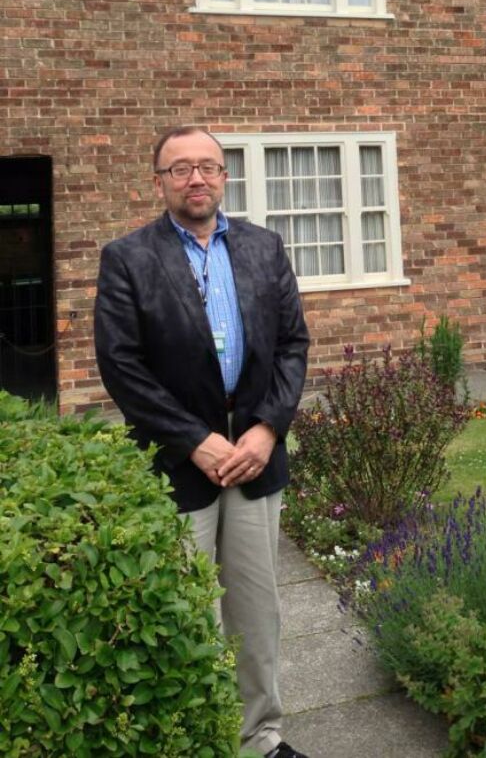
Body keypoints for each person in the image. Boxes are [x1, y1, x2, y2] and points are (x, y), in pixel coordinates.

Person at [94, 125, 311, 758]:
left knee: (254, 612)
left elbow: (293, 346)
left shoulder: (264, 248)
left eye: (208, 167)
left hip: (255, 461)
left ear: (224, 176)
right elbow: (122, 365)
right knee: (187, 613)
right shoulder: (128, 258)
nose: (196, 179)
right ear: (159, 181)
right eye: (180, 168)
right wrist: (197, 441)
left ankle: (261, 739)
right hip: (179, 465)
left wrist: (268, 430)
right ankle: (199, 736)